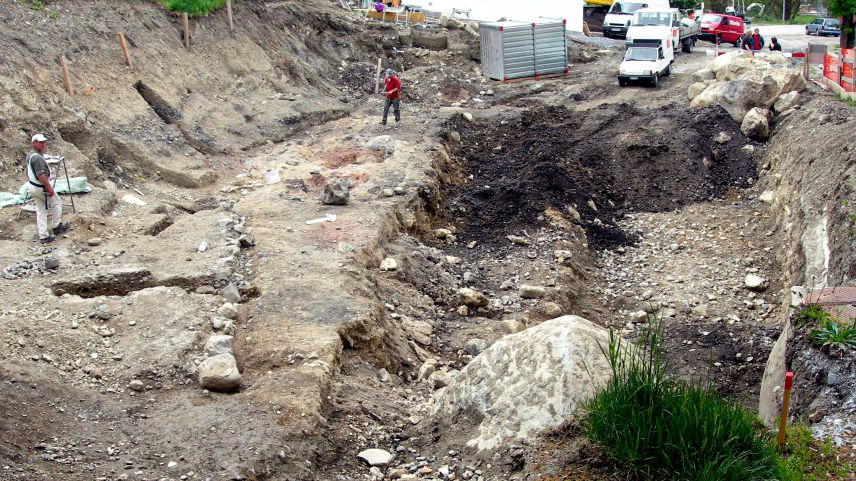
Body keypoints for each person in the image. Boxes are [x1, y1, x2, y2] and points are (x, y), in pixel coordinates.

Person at [23, 134, 69, 243]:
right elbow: (41, 176)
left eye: (43, 142)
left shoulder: (30, 155)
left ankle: (43, 235)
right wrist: (49, 187)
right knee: (56, 202)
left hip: (32, 185)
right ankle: (56, 226)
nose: (43, 144)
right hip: (40, 187)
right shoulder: (37, 158)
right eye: (40, 142)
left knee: (41, 210)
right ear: (34, 143)